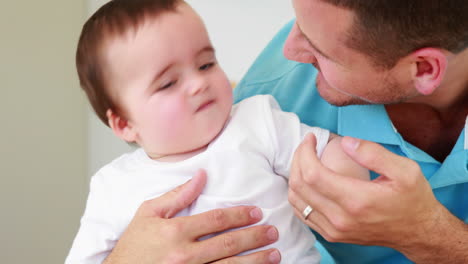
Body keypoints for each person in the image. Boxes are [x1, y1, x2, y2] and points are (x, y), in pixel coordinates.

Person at [96, 0, 468, 263]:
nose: (290, 49)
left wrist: (428, 234)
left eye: (320, 49)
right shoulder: (273, 94)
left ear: (423, 69)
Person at [66, 0, 370, 263]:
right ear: (124, 124)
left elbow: (325, 150)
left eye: (206, 64)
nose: (198, 83)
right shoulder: (114, 187)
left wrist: (346, 176)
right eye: (169, 83)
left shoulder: (257, 121)